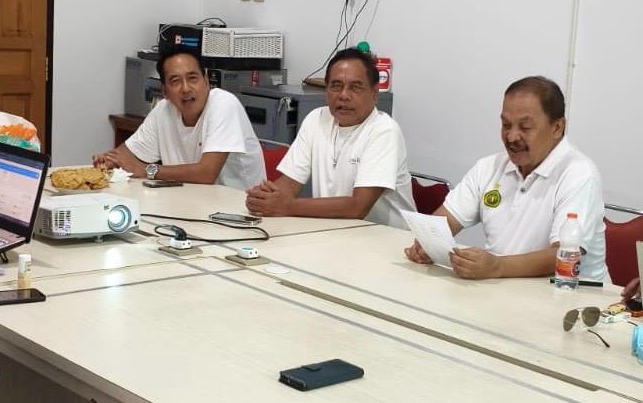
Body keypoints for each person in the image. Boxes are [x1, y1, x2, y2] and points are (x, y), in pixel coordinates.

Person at [405, 76, 609, 281]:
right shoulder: (490, 167)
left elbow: (565, 254)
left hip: (571, 293)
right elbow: (445, 221)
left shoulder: (579, 174)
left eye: (525, 127)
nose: (511, 137)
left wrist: (497, 266)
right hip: (502, 287)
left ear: (557, 127)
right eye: (506, 125)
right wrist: (428, 243)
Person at [245, 47, 415, 227]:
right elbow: (289, 184)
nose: (344, 95)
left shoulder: (384, 130)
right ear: (326, 90)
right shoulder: (316, 119)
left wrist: (287, 206)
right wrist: (264, 199)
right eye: (336, 86)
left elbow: (358, 207)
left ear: (374, 93)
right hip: (333, 230)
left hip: (387, 237)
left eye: (356, 87)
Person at [93, 47, 266, 190]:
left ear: (206, 81)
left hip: (237, 210)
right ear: (165, 91)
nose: (186, 88)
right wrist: (109, 160)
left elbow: (206, 174)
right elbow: (125, 156)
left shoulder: (224, 103)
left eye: (193, 78)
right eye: (175, 81)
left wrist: (148, 170)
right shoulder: (163, 110)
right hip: (187, 202)